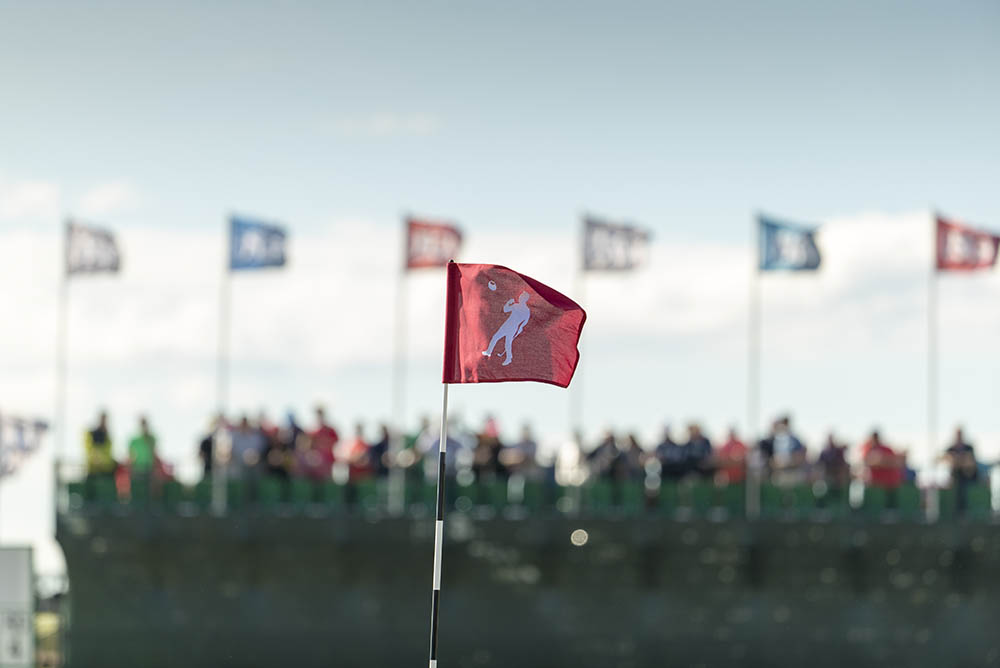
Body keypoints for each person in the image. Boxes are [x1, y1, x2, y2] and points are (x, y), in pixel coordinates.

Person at [759, 416, 807, 486]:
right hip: (778, 473)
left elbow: (801, 453)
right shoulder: (770, 441)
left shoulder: (794, 440)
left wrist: (792, 461)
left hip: (792, 472)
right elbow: (769, 459)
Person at [942, 427, 978, 513]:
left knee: (962, 487)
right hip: (955, 476)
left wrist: (957, 461)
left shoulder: (969, 447)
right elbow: (945, 459)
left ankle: (962, 511)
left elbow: (970, 463)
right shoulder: (951, 448)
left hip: (968, 476)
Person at [860, 430, 903, 497]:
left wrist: (881, 461)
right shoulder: (867, 448)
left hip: (889, 481)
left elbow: (896, 462)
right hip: (873, 481)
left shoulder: (886, 449)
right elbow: (866, 462)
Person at [84, 411, 116, 478]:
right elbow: (90, 450)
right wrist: (96, 459)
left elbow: (108, 451)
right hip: (93, 468)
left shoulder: (107, 435)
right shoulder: (92, 434)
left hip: (106, 467)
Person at [127, 416, 157, 481]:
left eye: (145, 423)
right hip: (136, 469)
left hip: (149, 469)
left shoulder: (151, 439)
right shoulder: (134, 441)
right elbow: (131, 456)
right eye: (142, 424)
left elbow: (154, 453)